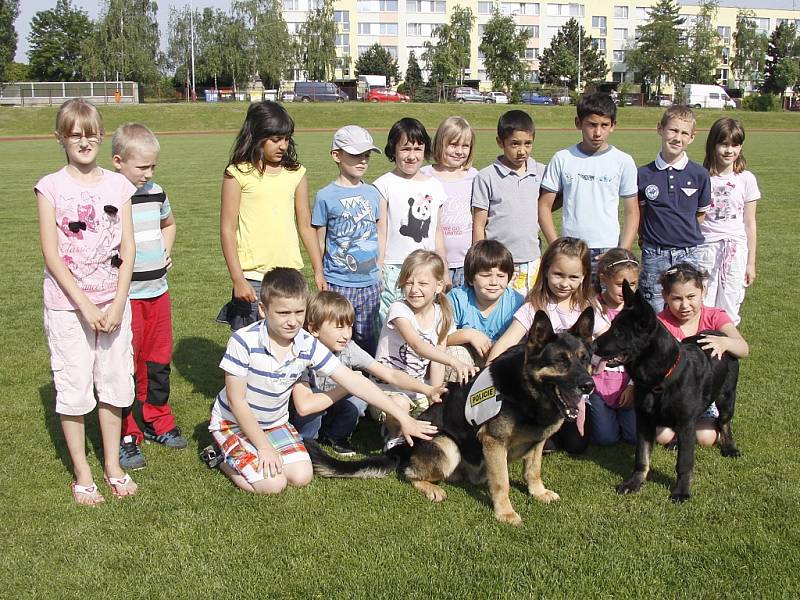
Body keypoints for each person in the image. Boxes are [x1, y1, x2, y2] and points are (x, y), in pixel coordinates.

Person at [208, 267, 438, 495]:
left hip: (275, 422)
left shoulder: (306, 343)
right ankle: (220, 456)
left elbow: (354, 381)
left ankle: (253, 451)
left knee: (301, 476)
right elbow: (236, 401)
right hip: (234, 422)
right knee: (273, 484)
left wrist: (403, 418)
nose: (292, 321)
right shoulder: (242, 341)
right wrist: (264, 448)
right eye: (283, 313)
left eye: (299, 312)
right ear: (262, 310)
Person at [34, 99, 138, 505]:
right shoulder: (51, 187)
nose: (84, 140)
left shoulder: (119, 186)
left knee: (114, 384)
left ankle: (112, 464)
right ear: (61, 137)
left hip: (114, 305)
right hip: (68, 307)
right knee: (75, 387)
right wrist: (86, 307)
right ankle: (83, 472)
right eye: (75, 133)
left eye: (91, 132)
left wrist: (115, 305)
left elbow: (128, 249)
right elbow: (51, 253)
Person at [110, 123, 185, 471]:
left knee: (157, 361)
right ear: (118, 161)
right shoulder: (110, 196)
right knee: (126, 365)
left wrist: (166, 252)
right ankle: (127, 433)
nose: (149, 173)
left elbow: (168, 224)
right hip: (126, 298)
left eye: (153, 166)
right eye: (142, 167)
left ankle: (158, 419)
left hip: (158, 293)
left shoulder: (156, 192)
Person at [289, 291, 446, 456]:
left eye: (350, 326)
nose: (346, 334)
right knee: (331, 395)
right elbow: (305, 407)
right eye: (339, 327)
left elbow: (390, 374)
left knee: (357, 400)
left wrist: (427, 389)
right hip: (306, 411)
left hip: (331, 404)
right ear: (314, 329)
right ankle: (307, 441)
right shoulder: (303, 352)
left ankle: (335, 436)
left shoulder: (349, 348)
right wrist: (348, 386)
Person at [487, 237, 604, 454]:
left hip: (574, 388)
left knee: (577, 445)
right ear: (546, 270)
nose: (564, 283)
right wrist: (486, 375)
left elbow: (606, 337)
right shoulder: (534, 307)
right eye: (558, 274)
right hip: (541, 393)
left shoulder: (586, 308)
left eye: (573, 277)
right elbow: (507, 341)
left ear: (584, 277)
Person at [217, 101, 324, 331]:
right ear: (256, 136)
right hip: (253, 278)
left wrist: (318, 269)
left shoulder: (296, 173)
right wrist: (238, 279)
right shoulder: (237, 173)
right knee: (249, 348)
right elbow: (227, 229)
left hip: (290, 276)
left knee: (289, 344)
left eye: (286, 139)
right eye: (275, 140)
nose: (283, 145)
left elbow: (305, 225)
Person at [372, 250, 478, 435]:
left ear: (438, 286)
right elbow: (417, 345)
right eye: (409, 282)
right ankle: (391, 434)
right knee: (401, 404)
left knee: (433, 427)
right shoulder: (399, 310)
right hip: (387, 390)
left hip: (419, 390)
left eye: (422, 283)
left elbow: (436, 363)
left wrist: (433, 394)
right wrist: (453, 361)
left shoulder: (442, 315)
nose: (414, 289)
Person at [538, 93, 639, 279]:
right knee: (573, 306)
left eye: (604, 125)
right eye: (592, 124)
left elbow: (632, 211)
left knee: (606, 307)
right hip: (572, 249)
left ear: (613, 125)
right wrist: (556, 246)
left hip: (608, 250)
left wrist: (621, 252)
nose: (597, 132)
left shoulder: (623, 161)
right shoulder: (562, 158)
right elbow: (544, 206)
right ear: (578, 123)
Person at [654, 263, 749, 448]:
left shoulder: (714, 316)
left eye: (691, 297)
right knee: (662, 436)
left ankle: (722, 426)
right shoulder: (660, 323)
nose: (685, 305)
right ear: (665, 296)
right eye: (676, 298)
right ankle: (679, 425)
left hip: (706, 395)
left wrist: (725, 342)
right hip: (673, 398)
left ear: (703, 292)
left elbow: (743, 348)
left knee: (706, 438)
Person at [312, 125, 382, 353]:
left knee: (368, 336)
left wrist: (379, 266)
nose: (362, 161)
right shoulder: (325, 196)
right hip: (338, 282)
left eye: (366, 155)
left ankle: (368, 381)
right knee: (337, 337)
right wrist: (319, 273)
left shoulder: (373, 192)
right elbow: (319, 239)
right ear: (336, 155)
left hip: (370, 283)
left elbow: (378, 230)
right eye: (355, 155)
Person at [374, 118, 449, 326]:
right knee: (390, 319)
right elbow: (381, 231)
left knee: (423, 321)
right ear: (393, 150)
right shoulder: (383, 185)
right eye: (405, 149)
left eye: (418, 149)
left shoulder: (435, 186)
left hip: (427, 268)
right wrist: (379, 266)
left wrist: (444, 266)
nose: (412, 155)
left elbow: (437, 232)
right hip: (394, 268)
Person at [637, 106, 711, 313]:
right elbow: (640, 215)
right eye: (673, 130)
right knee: (654, 307)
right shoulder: (643, 174)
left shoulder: (699, 174)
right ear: (660, 129)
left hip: (688, 253)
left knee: (687, 308)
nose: (678, 138)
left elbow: (700, 214)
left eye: (684, 133)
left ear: (692, 137)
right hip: (655, 253)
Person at [471, 110, 545, 295]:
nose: (522, 151)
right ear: (500, 142)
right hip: (498, 262)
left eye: (528, 144)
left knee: (529, 312)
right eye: (514, 144)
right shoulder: (486, 177)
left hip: (531, 259)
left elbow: (550, 204)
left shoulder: (542, 172)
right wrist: (480, 259)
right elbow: (479, 223)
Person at [698, 117, 760, 325]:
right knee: (703, 302)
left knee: (730, 304)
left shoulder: (746, 179)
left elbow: (750, 222)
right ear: (713, 144)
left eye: (735, 145)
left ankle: (727, 352)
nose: (729, 150)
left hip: (735, 250)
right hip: (706, 249)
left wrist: (750, 263)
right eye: (724, 144)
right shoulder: (701, 176)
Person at [445, 240, 524, 370]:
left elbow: (522, 344)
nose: (494, 282)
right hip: (467, 359)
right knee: (454, 354)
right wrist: (469, 334)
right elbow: (439, 339)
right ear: (471, 278)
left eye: (500, 276)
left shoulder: (516, 302)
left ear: (509, 278)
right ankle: (457, 390)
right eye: (485, 275)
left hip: (501, 360)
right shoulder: (457, 298)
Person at [589, 248, 640, 446]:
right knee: (605, 438)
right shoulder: (593, 307)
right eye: (620, 284)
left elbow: (642, 353)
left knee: (634, 436)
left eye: (633, 284)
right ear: (603, 279)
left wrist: (633, 386)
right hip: (598, 384)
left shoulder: (636, 311)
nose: (626, 290)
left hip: (627, 382)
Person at [420, 116, 478, 288]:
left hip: (465, 262)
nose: (459, 151)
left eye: (465, 146)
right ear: (440, 144)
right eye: (453, 144)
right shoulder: (425, 175)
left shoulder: (474, 176)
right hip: (432, 261)